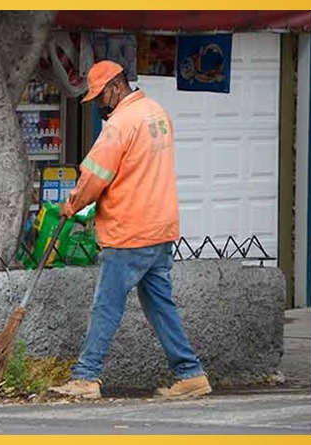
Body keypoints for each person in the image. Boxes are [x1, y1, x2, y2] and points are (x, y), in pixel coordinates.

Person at [48, 61, 211, 400]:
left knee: (106, 305)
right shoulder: (157, 113)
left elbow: (95, 176)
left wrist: (72, 204)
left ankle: (86, 377)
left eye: (100, 96)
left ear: (116, 86)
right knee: (160, 304)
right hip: (160, 227)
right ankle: (190, 373)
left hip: (129, 230)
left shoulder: (120, 124)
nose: (99, 104)